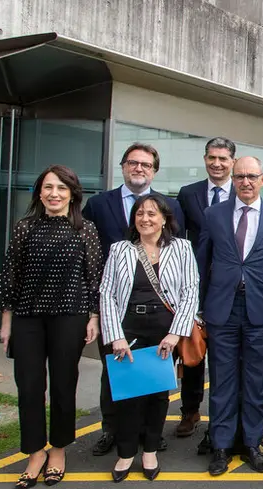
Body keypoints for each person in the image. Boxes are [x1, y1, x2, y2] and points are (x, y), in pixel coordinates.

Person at [0, 165, 103, 489]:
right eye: (48, 188)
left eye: (61, 188)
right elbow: (9, 275)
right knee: (28, 387)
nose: (54, 194)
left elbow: (94, 278)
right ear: (39, 193)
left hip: (69, 317)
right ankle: (34, 453)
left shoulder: (85, 229)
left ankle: (57, 451)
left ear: (72, 193)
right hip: (28, 317)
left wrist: (94, 316)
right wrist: (7, 321)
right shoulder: (24, 228)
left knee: (62, 385)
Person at [82, 142, 185, 456]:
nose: (139, 168)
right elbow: (87, 251)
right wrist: (95, 310)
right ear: (123, 166)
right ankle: (112, 430)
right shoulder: (99, 204)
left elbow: (180, 258)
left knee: (155, 374)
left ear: (154, 170)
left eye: (146, 164)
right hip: (115, 304)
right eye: (133, 163)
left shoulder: (171, 205)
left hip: (159, 309)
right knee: (115, 372)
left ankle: (150, 435)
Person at [197, 156, 263, 476]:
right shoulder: (213, 215)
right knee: (222, 380)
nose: (246, 182)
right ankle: (221, 445)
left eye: (252, 176)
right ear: (232, 179)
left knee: (256, 381)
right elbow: (201, 265)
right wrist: (198, 309)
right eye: (240, 176)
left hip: (261, 311)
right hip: (221, 310)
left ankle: (252, 442)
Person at [99, 194, 199, 482]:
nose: (145, 219)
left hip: (164, 328)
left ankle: (151, 450)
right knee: (128, 393)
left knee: (157, 393)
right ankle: (126, 452)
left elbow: (191, 291)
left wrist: (175, 334)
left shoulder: (181, 248)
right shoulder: (120, 249)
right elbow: (106, 293)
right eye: (140, 213)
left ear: (165, 218)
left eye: (152, 214)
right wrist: (115, 336)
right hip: (127, 326)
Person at [174, 136, 236, 440]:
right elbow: (178, 240)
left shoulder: (243, 191)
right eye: (212, 157)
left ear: (232, 162)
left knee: (226, 356)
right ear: (205, 159)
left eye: (223, 158)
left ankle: (225, 418)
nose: (217, 163)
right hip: (195, 285)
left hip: (232, 288)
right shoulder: (188, 194)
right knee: (193, 349)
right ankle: (190, 410)